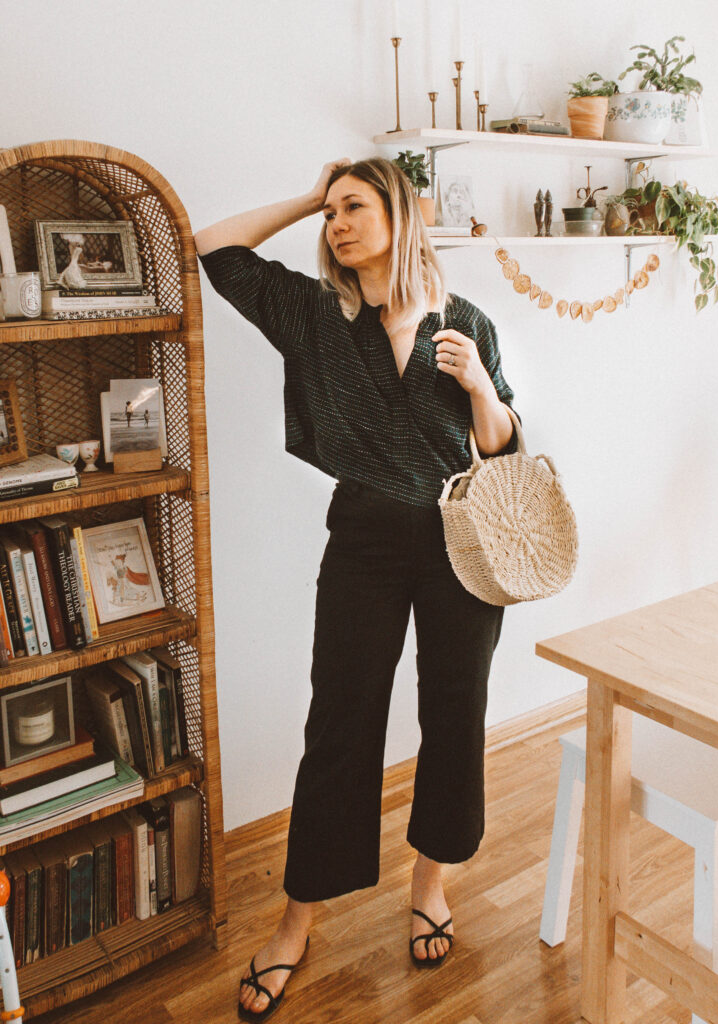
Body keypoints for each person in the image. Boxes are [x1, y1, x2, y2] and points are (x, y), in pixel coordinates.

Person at [194, 156, 516, 1021]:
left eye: (352, 207)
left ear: (399, 214)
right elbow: (212, 246)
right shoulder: (312, 313)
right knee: (339, 720)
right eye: (328, 213)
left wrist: (479, 384)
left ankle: (431, 883)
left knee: (455, 712)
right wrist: (304, 192)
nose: (335, 224)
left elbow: (500, 442)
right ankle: (298, 922)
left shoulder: (465, 321)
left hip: (461, 541)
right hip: (366, 537)